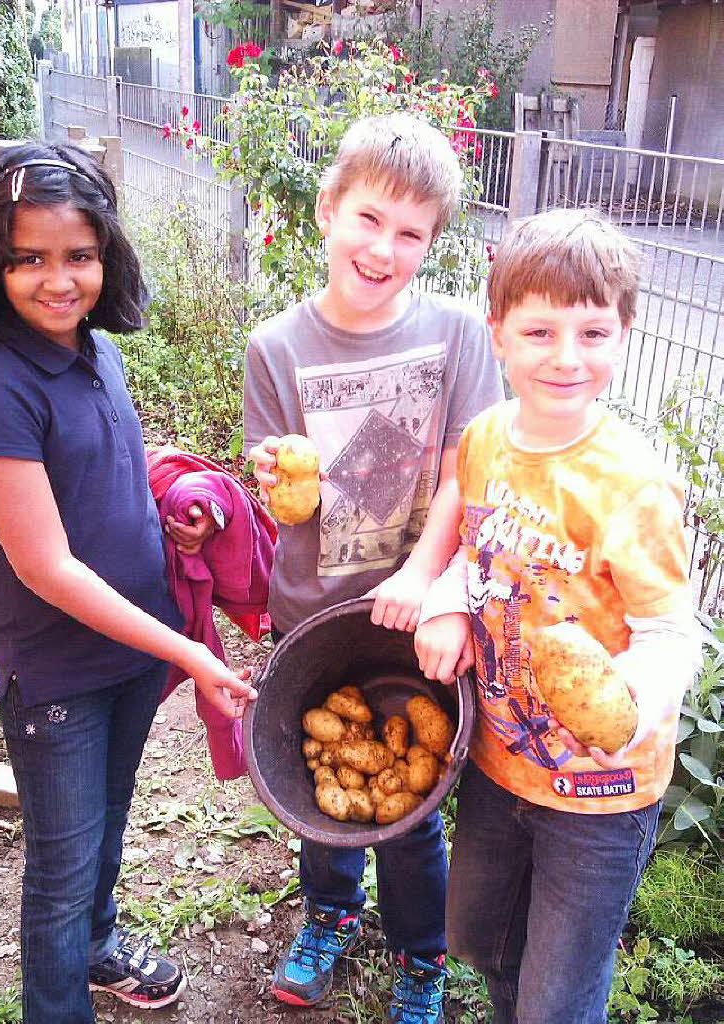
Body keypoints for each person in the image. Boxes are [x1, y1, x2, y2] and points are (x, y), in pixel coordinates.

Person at [0, 143, 257, 1024]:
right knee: (60, 866)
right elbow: (45, 565)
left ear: (107, 255)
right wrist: (190, 649)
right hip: (59, 680)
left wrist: (175, 522)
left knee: (109, 826)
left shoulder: (99, 353)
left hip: (128, 655)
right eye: (29, 259)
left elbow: (105, 488)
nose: (59, 280)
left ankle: (97, 947)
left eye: (78, 255)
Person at [241, 112, 504, 1024]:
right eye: (368, 219)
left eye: (410, 233)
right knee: (319, 790)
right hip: (313, 610)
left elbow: (468, 478)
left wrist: (432, 587)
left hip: (418, 610)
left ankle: (422, 954)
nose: (383, 248)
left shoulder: (458, 335)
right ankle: (327, 913)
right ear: (326, 210)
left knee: (413, 805)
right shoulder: (276, 347)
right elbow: (295, 506)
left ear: (431, 244)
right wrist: (279, 480)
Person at [413, 208, 701, 1024]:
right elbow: (477, 550)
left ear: (624, 334)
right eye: (540, 331)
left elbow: (674, 636)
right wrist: (444, 605)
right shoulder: (484, 440)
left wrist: (624, 710)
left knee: (558, 999)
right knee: (481, 941)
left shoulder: (632, 484)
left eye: (592, 332)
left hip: (600, 793)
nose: (566, 358)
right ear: (497, 333)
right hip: (501, 764)